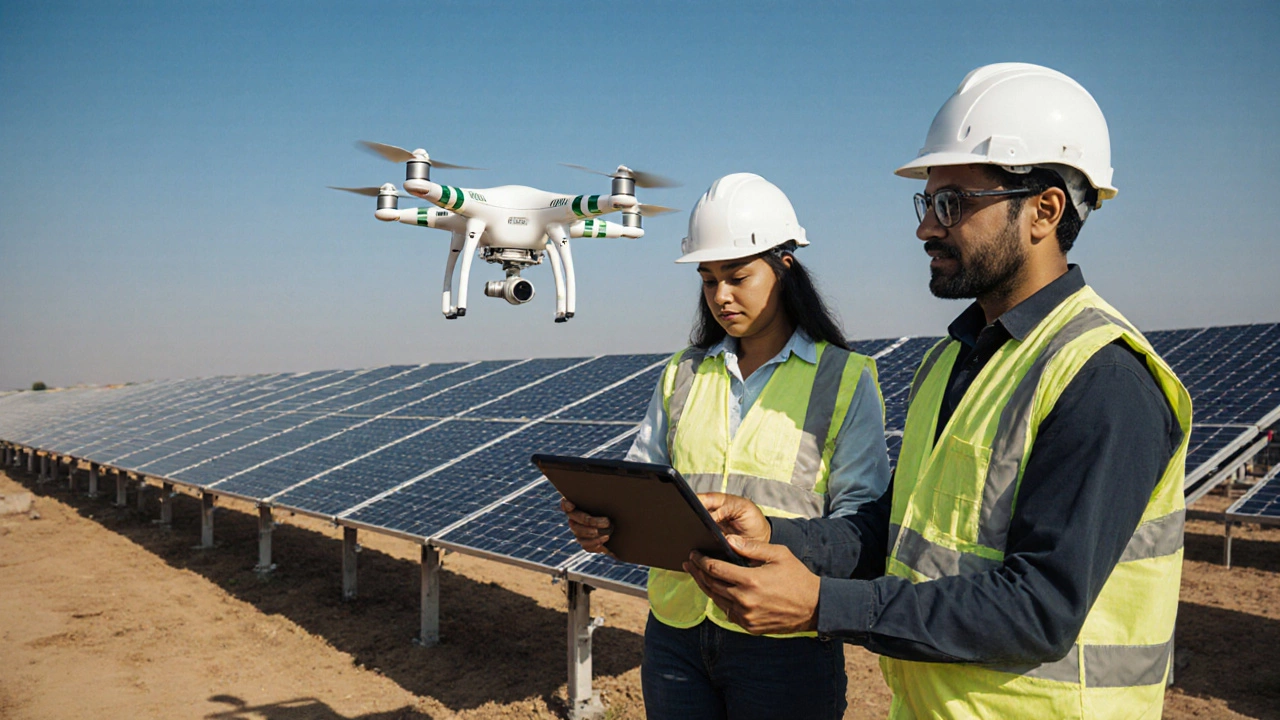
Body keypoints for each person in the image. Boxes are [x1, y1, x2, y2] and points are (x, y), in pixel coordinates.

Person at [685, 64, 1192, 719]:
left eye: (952, 202)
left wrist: (820, 604)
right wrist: (778, 535)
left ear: (1044, 210)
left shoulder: (1102, 378)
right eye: (928, 203)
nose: (926, 228)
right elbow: (894, 536)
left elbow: (1039, 609)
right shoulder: (953, 360)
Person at [563, 172, 891, 719]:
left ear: (784, 268)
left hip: (781, 639)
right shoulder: (683, 373)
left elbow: (861, 521)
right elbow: (643, 480)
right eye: (708, 278)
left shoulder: (846, 378)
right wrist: (605, 519)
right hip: (675, 631)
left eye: (737, 276)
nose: (721, 295)